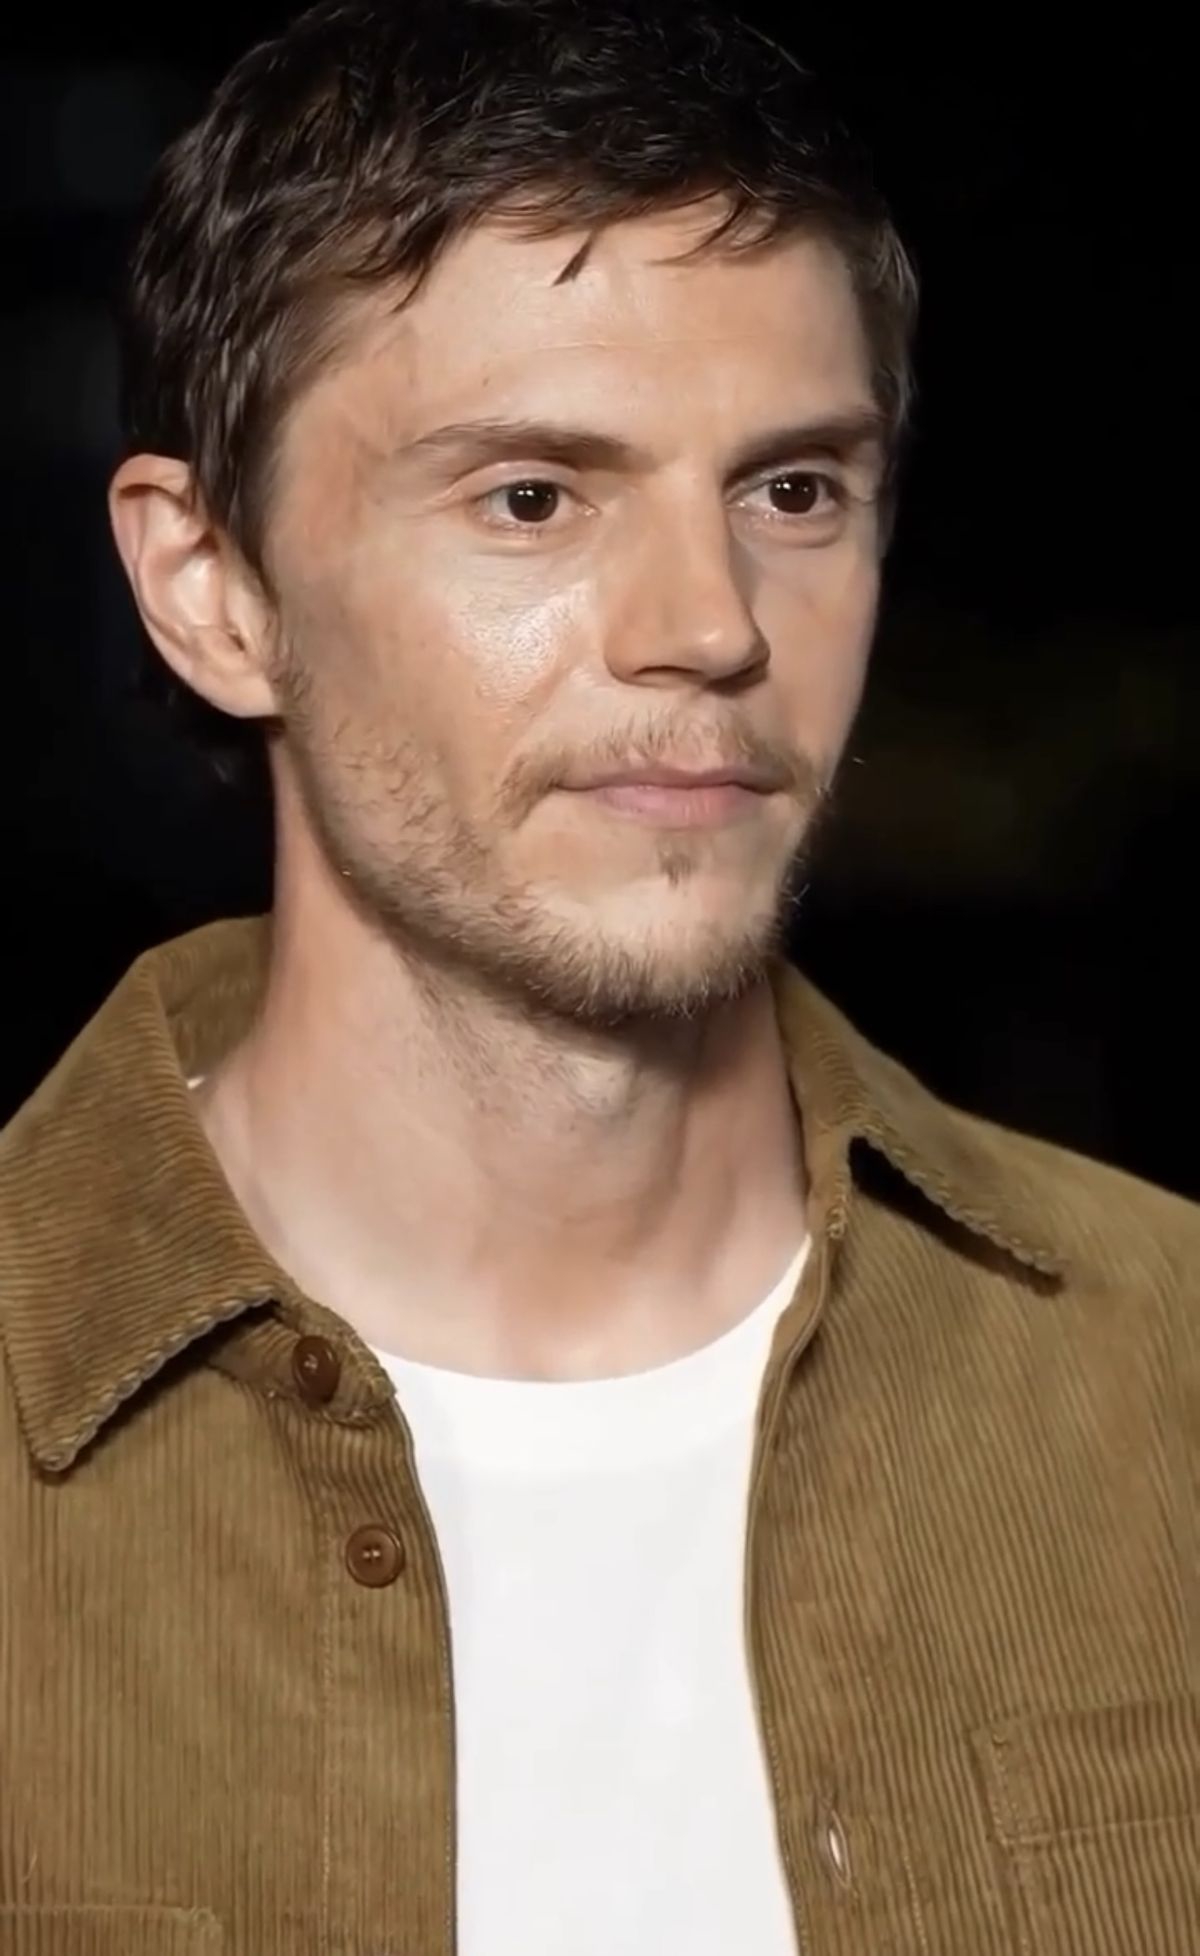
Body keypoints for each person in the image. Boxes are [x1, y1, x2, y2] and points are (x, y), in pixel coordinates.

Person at [1, 1, 1195, 1950]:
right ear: (211, 590)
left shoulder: (1165, 1384)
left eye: (792, 491)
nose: (711, 626)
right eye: (533, 499)